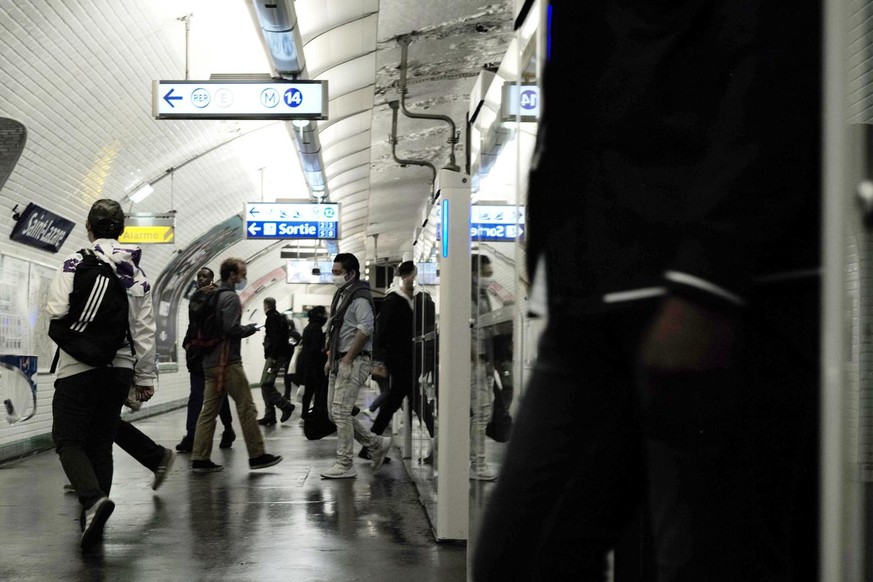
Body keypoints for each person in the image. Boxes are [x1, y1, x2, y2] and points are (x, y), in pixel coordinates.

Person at [472, 2, 822, 581]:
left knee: (713, 557)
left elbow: (771, 64)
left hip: (715, 299)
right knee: (519, 556)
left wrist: (705, 280)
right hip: (590, 300)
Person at [46, 198, 158, 550]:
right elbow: (144, 330)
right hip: (120, 369)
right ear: (122, 230)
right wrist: (145, 377)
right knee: (101, 442)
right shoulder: (136, 273)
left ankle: (93, 501)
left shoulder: (75, 262)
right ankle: (92, 519)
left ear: (89, 227)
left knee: (68, 440)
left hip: (78, 367)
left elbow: (56, 309)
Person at [190, 257, 283, 473]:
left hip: (210, 361)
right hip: (227, 362)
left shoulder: (212, 293)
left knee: (208, 411)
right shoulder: (230, 297)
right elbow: (230, 329)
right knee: (246, 407)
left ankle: (200, 458)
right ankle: (257, 455)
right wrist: (249, 329)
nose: (244, 278)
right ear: (232, 275)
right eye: (242, 274)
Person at [320, 252, 392, 479]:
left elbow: (366, 328)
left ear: (351, 274)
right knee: (335, 413)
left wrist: (348, 358)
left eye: (338, 272)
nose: (334, 276)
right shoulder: (343, 295)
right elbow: (339, 331)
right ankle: (376, 443)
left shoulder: (359, 297)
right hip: (339, 360)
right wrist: (331, 359)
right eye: (332, 272)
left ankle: (345, 463)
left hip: (354, 360)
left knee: (340, 412)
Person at [360, 261, 434, 461]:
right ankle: (370, 445)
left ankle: (370, 446)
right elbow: (383, 332)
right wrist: (382, 359)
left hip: (407, 359)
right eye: (415, 274)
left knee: (399, 400)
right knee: (405, 399)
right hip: (399, 360)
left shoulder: (413, 300)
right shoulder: (395, 301)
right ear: (408, 276)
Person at [176, 267, 236, 452]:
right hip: (197, 356)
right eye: (199, 277)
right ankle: (191, 436)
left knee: (218, 397)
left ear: (212, 279)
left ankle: (228, 429)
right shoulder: (196, 298)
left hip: (214, 354)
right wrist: (187, 343)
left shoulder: (219, 297)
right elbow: (193, 325)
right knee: (196, 397)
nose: (201, 279)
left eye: (205, 277)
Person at [469, 253, 497, 481]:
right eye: (484, 274)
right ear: (473, 274)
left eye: (490, 274)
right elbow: (467, 331)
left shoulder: (482, 296)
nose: (488, 279)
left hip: (483, 360)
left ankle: (473, 460)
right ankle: (478, 464)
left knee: (481, 414)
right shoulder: (468, 298)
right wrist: (479, 361)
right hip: (474, 362)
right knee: (481, 413)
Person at [256, 297, 296, 425]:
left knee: (264, 384)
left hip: (274, 357)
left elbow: (275, 339)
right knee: (268, 385)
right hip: (278, 356)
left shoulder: (272, 318)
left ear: (265, 305)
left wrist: (272, 356)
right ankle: (270, 415)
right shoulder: (279, 317)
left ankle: (285, 406)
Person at [298, 305, 328, 420]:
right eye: (325, 314)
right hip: (313, 365)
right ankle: (313, 412)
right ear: (320, 315)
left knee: (309, 390)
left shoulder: (309, 325)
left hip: (307, 362)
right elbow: (315, 348)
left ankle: (305, 412)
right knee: (315, 390)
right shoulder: (316, 327)